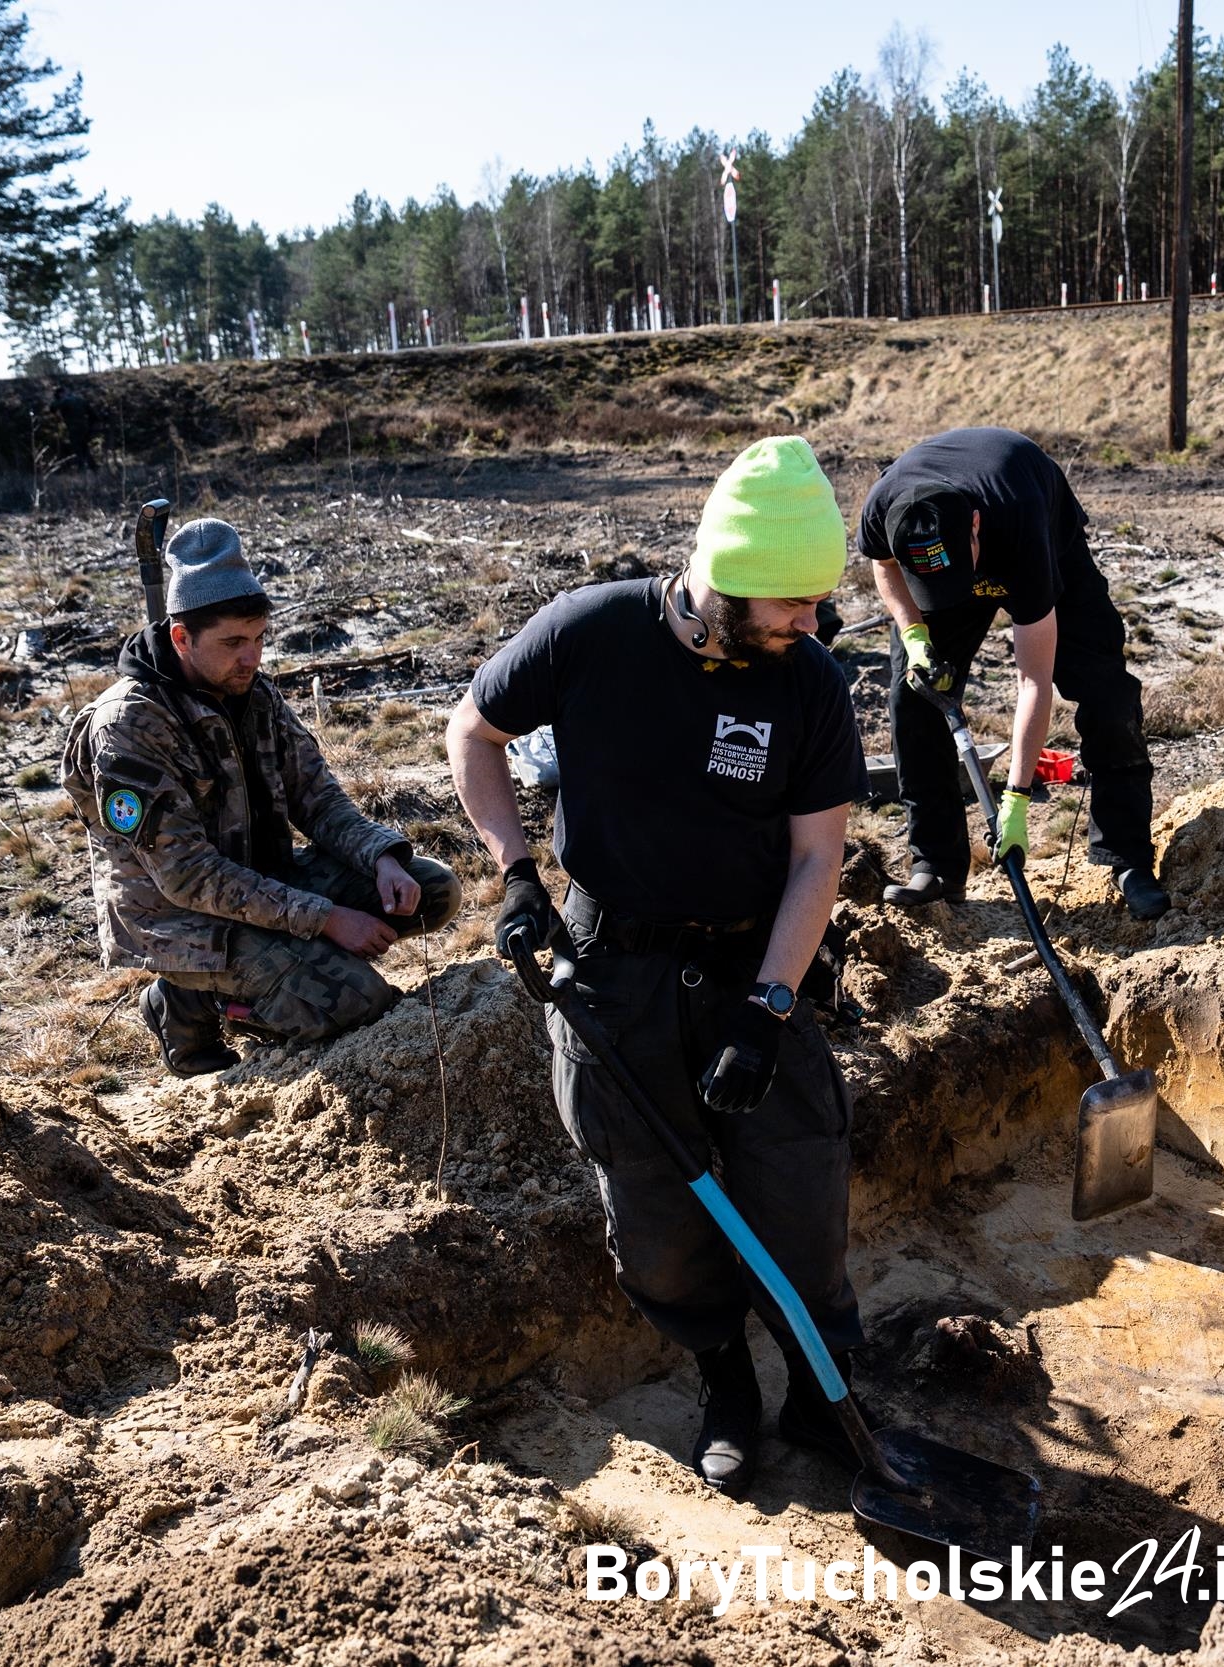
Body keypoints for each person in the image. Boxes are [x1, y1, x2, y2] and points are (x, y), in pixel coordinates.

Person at [445, 436, 867, 1500]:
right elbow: (473, 731)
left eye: (820, 598)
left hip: (754, 957)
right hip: (614, 969)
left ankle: (823, 1391)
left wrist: (769, 1007)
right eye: (793, 602)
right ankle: (725, 1379)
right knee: (654, 1208)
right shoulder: (589, 632)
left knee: (799, 1179)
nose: (815, 620)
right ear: (724, 582)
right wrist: (516, 875)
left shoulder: (810, 681)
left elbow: (817, 858)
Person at [63, 518, 461, 1077]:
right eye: (232, 643)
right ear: (182, 638)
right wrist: (324, 919)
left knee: (432, 891)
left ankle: (273, 971)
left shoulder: (252, 692)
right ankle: (189, 1000)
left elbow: (317, 799)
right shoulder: (128, 727)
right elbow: (187, 877)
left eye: (258, 639)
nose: (251, 658)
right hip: (177, 918)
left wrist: (381, 859)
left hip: (260, 878)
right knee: (355, 1001)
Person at [857, 425, 1170, 921]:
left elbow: (1033, 680)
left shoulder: (1021, 525)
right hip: (956, 549)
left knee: (1106, 694)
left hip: (1039, 533)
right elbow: (884, 565)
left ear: (975, 525)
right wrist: (914, 635)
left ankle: (1127, 857)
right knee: (913, 697)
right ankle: (936, 864)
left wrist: (1017, 797)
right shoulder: (883, 506)